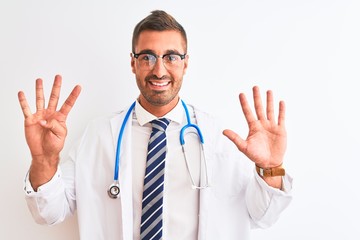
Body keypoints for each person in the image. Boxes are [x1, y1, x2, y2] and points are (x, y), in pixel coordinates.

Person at [18, 10, 292, 240]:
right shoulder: (99, 135)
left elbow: (264, 216)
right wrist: (44, 159)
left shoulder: (218, 137)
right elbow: (48, 213)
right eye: (147, 56)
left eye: (171, 57)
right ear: (133, 63)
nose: (159, 70)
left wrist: (270, 168)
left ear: (185, 64)